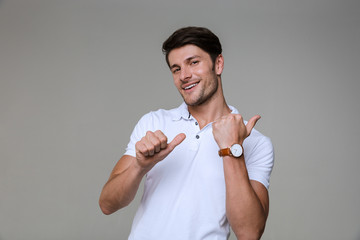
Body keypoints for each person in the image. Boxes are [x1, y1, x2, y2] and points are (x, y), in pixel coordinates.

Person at [99, 26, 274, 240]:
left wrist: (231, 149)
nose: (184, 75)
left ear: (218, 64)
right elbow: (107, 204)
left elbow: (249, 233)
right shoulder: (154, 122)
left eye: (193, 62)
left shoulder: (254, 142)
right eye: (176, 69)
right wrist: (139, 166)